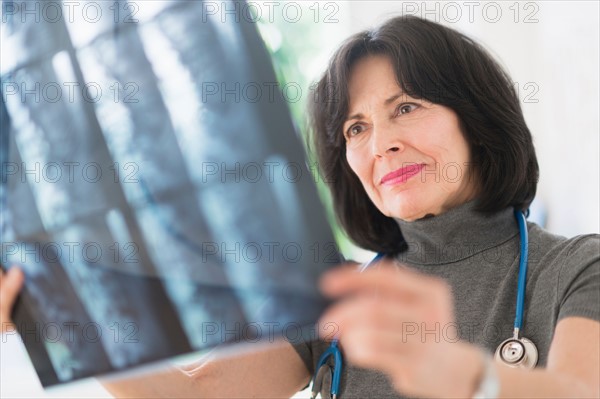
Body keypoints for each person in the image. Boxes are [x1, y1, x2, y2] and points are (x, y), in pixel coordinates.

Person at [2, 15, 599, 399]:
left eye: (407, 106)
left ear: (479, 119)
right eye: (355, 128)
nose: (380, 143)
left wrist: (469, 378)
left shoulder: (577, 270)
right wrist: (48, 313)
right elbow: (198, 396)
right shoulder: (337, 297)